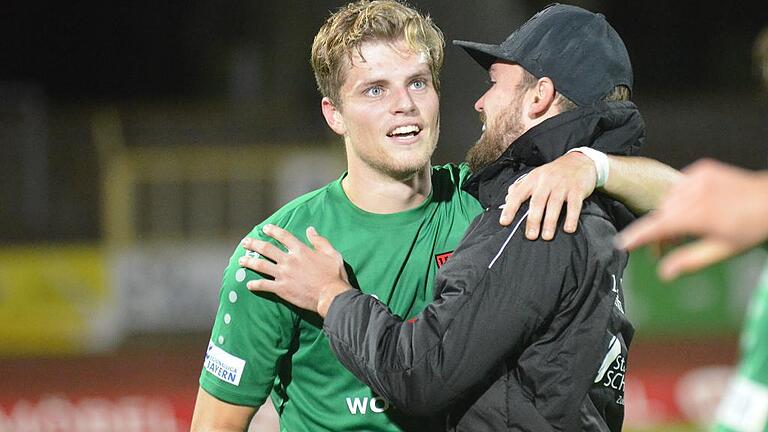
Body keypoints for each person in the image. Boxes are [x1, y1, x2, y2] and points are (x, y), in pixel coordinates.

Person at [192, 1, 676, 431]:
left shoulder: (494, 202)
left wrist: (592, 164)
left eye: (417, 83)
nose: (404, 105)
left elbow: (682, 198)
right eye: (375, 90)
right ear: (334, 113)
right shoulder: (280, 253)